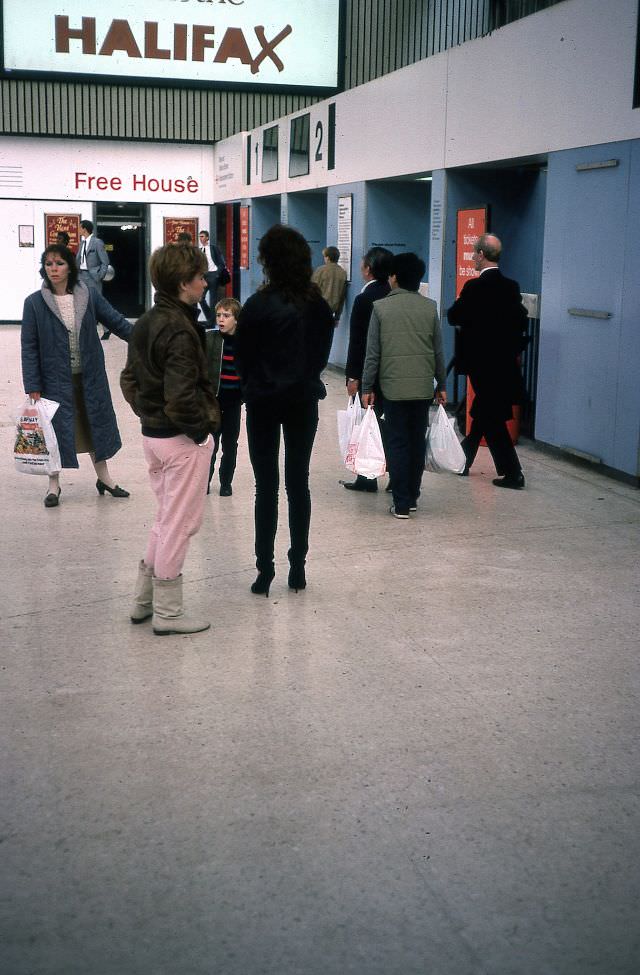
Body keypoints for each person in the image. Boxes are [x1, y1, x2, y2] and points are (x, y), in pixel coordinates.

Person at [120, 243, 220, 636]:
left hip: (154, 437)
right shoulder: (179, 328)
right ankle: (169, 613)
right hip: (180, 440)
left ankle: (143, 602)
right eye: (199, 277)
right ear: (184, 284)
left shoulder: (146, 320)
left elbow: (129, 379)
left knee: (165, 519)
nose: (204, 283)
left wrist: (148, 414)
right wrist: (202, 430)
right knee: (181, 524)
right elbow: (181, 396)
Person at [235, 224, 334, 597]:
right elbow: (321, 355)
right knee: (298, 483)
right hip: (303, 401)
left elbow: (242, 358)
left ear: (268, 262)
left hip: (262, 402)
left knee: (266, 487)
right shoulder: (318, 306)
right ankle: (298, 566)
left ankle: (264, 570)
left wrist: (253, 386)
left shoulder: (257, 306)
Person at [21, 243, 132, 508]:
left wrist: (147, 337)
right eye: (49, 264)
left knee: (95, 426)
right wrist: (33, 384)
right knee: (53, 432)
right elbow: (29, 347)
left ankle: (104, 479)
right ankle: (53, 485)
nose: (54, 269)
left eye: (59, 263)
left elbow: (116, 321)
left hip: (89, 376)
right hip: (53, 380)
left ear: (70, 267)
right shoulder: (34, 303)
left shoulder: (88, 295)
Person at [362, 252, 446, 519]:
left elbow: (372, 354)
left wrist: (367, 387)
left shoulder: (380, 308)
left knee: (397, 443)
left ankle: (400, 502)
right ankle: (412, 497)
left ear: (394, 278)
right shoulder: (429, 307)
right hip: (422, 388)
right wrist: (442, 383)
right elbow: (438, 351)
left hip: (393, 388)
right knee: (416, 442)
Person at [447, 233, 528, 489]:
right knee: (486, 412)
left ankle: (513, 473)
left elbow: (453, 317)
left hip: (480, 364)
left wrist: (461, 306)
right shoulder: (511, 287)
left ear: (481, 254)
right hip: (504, 363)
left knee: (489, 415)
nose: (473, 258)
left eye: (474, 253)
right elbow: (519, 321)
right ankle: (464, 459)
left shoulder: (473, 287)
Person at [341, 246, 394, 493]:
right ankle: (396, 473)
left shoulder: (364, 299)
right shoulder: (394, 294)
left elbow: (358, 341)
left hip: (368, 371)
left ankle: (367, 477)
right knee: (390, 424)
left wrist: (353, 376)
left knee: (367, 422)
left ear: (368, 269)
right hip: (392, 370)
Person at [205, 297, 243, 497]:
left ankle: (226, 481)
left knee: (230, 444)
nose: (221, 319)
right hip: (212, 401)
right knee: (210, 443)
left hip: (233, 401)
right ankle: (205, 481)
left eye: (226, 316)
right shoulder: (210, 339)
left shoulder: (243, 342)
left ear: (236, 319)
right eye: (219, 315)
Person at [78, 219, 112, 340]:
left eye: (79, 227)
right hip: (81, 276)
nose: (78, 229)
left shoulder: (97, 242)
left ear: (85, 229)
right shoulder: (81, 243)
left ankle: (107, 329)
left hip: (93, 277)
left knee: (97, 303)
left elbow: (105, 262)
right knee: (82, 303)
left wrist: (99, 276)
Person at [198, 230, 230, 323]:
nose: (201, 238)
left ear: (207, 238)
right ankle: (210, 318)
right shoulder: (199, 250)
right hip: (204, 276)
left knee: (213, 299)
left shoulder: (213, 248)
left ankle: (211, 322)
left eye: (203, 236)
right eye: (200, 236)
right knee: (201, 298)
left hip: (213, 274)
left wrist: (217, 274)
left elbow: (221, 262)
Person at [311, 246, 348, 324]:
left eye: (324, 256)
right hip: (331, 312)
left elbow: (312, 291)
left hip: (317, 311)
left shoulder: (320, 270)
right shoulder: (343, 273)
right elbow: (342, 297)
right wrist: (337, 317)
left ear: (327, 258)